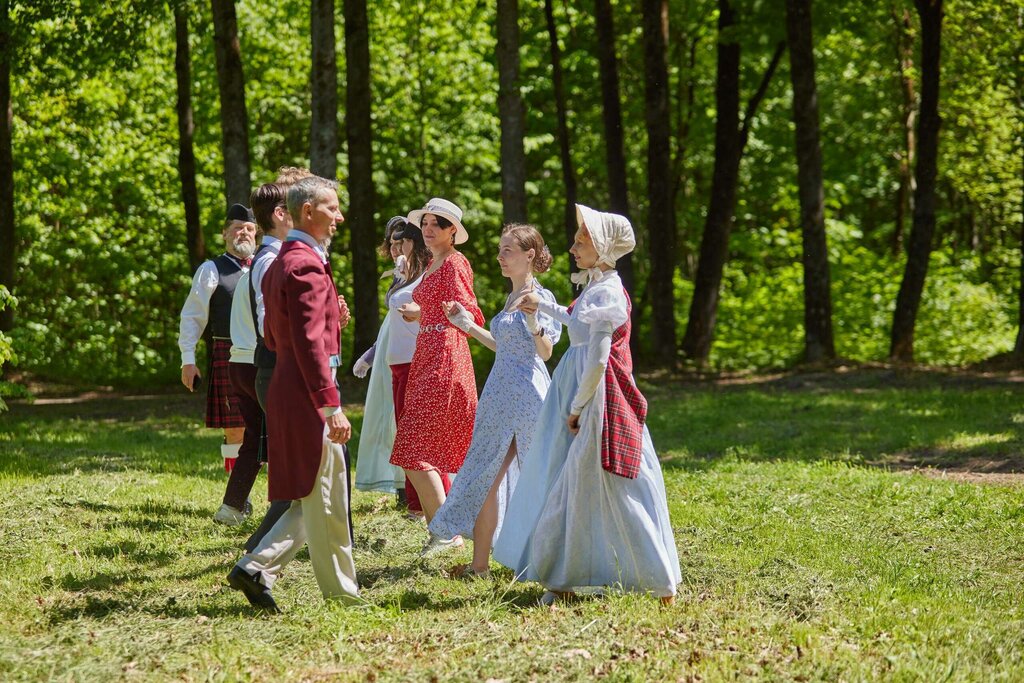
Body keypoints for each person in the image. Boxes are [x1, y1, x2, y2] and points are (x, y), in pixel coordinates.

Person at [493, 205, 680, 605]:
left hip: (597, 398)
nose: (574, 246)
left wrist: (577, 408)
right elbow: (577, 324)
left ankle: (652, 579)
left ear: (605, 247)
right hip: (577, 388)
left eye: (582, 240)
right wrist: (538, 306)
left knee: (601, 484)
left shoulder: (608, 291)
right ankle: (564, 575)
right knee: (573, 482)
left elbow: (597, 359)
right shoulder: (596, 286)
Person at [227, 176, 358, 611]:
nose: (339, 217)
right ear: (307, 212)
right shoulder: (302, 264)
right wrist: (330, 403)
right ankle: (342, 595)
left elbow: (272, 332)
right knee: (325, 493)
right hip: (306, 394)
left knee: (314, 491)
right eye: (332, 208)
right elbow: (306, 344)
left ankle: (256, 566)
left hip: (289, 386)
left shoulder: (284, 258)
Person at [428, 224, 562, 578]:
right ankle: (481, 565)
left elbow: (545, 352)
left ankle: (549, 559)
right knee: (488, 476)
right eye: (501, 250)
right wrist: (466, 324)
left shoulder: (541, 297)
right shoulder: (510, 297)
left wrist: (534, 319)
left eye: (508, 251)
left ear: (529, 255)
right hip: (500, 393)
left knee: (538, 475)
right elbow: (504, 347)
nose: (500, 257)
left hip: (526, 396)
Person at [389, 198, 484, 556]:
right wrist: (422, 313)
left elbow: (471, 312)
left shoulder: (455, 262)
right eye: (425, 223)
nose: (428, 229)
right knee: (413, 448)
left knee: (413, 447)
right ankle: (444, 531)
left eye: (436, 224)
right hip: (426, 351)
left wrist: (429, 311)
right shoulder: (432, 262)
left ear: (452, 232)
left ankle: (447, 532)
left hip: (445, 354)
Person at [178, 203, 256, 473]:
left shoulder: (267, 266)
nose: (243, 233)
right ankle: (239, 497)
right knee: (235, 428)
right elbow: (192, 317)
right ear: (224, 233)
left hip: (267, 352)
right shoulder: (211, 269)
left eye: (249, 229)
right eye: (237, 228)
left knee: (273, 425)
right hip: (229, 353)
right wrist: (188, 360)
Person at [352, 217, 412, 502]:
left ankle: (411, 488)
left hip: (409, 354)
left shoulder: (421, 273)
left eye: (402, 242)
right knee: (389, 419)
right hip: (389, 353)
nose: (396, 248)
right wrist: (370, 355)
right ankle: (401, 486)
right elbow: (391, 324)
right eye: (392, 243)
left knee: (403, 420)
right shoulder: (398, 276)